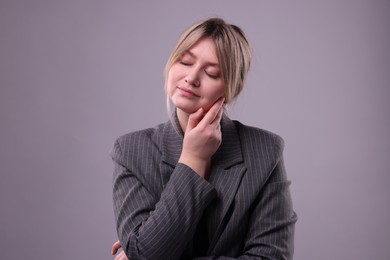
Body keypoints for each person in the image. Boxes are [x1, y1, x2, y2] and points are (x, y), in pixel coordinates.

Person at [110, 17, 297, 260]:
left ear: (231, 89)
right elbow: (145, 254)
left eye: (212, 73)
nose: (191, 77)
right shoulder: (131, 151)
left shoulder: (265, 150)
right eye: (185, 62)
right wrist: (192, 160)